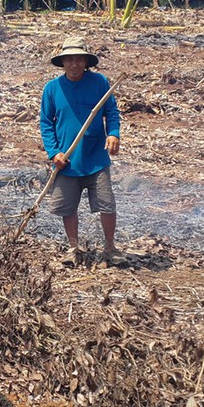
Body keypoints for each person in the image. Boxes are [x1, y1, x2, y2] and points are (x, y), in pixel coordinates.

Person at [39, 36, 125, 266]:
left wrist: (113, 133)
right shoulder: (52, 89)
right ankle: (73, 248)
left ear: (86, 62)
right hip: (66, 160)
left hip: (96, 157)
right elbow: (46, 123)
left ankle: (110, 247)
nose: (74, 64)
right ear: (63, 62)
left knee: (107, 204)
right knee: (68, 207)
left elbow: (111, 111)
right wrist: (54, 152)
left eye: (79, 59)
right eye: (69, 59)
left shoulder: (99, 83)